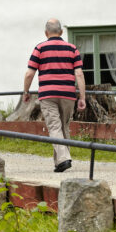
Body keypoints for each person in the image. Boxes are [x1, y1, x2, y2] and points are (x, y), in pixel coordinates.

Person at [22, 18, 86, 172]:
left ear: (46, 33)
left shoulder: (40, 48)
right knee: (63, 126)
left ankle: (64, 158)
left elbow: (29, 74)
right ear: (61, 32)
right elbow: (79, 73)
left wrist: (26, 91)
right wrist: (82, 97)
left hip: (48, 93)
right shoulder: (72, 49)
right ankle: (59, 162)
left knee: (54, 127)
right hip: (68, 94)